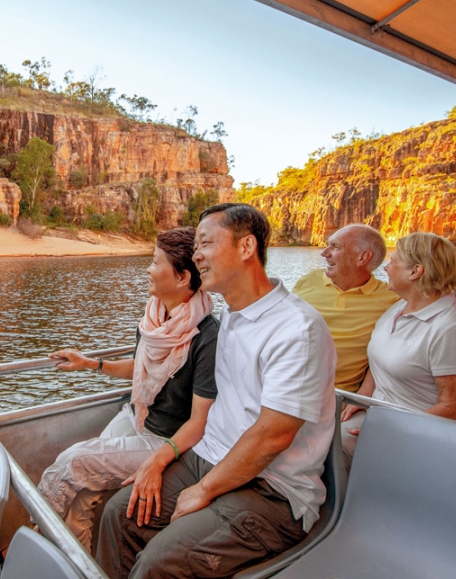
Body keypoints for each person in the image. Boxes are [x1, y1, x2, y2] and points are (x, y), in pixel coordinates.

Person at [96, 203, 336, 579]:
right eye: (194, 250)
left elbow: (274, 435)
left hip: (271, 490)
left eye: (206, 244)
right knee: (119, 514)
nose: (197, 256)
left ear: (246, 248)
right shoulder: (230, 321)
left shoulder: (296, 328)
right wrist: (160, 458)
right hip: (207, 458)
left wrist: (204, 489)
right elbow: (207, 414)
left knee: (159, 562)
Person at [37, 227, 219, 552]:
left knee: (72, 462)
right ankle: (79, 567)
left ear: (181, 278)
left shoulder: (207, 335)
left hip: (164, 439)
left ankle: (31, 535)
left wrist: (161, 461)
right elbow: (140, 368)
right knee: (83, 493)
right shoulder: (154, 317)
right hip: (136, 414)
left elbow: (201, 421)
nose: (148, 269)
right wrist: (90, 363)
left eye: (154, 262)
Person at [341, 232, 456, 471]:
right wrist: (362, 398)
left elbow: (453, 406)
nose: (386, 267)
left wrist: (391, 430)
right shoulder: (398, 308)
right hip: (385, 414)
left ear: (415, 272)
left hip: (428, 429)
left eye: (393, 261)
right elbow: (381, 360)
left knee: (335, 441)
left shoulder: (450, 328)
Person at [293, 224, 456, 393]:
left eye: (334, 247)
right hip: (282, 377)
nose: (324, 253)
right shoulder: (307, 281)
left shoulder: (393, 299)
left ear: (362, 258)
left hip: (333, 394)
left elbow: (448, 318)